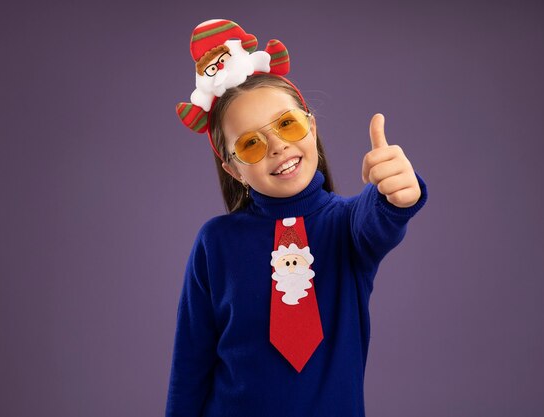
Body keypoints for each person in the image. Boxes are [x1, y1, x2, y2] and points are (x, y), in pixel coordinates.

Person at [167, 19, 428, 417]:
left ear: (311, 124)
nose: (277, 146)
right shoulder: (215, 242)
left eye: (287, 124)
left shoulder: (346, 226)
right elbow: (190, 366)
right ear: (234, 170)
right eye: (251, 144)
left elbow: (378, 218)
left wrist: (397, 194)